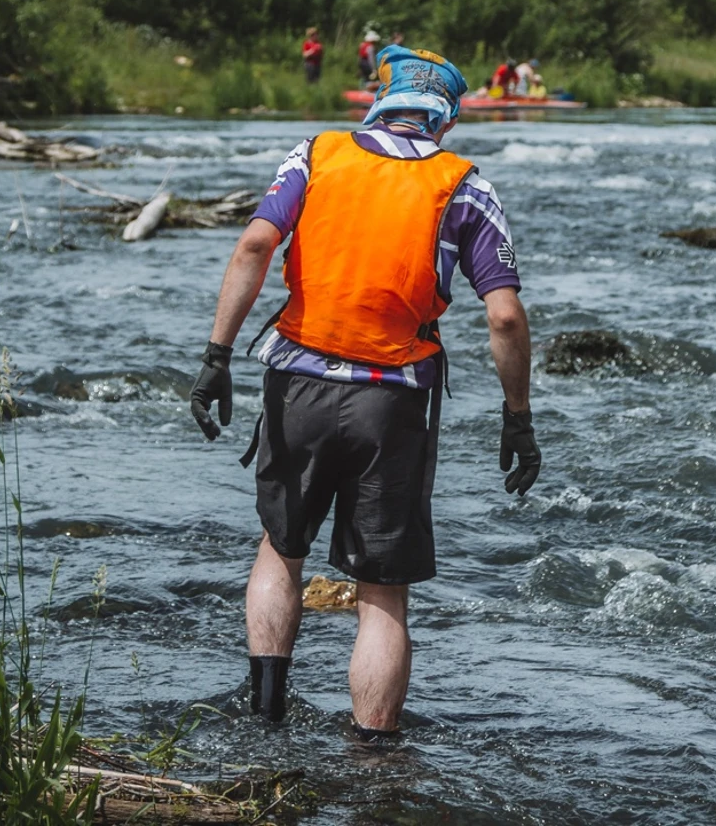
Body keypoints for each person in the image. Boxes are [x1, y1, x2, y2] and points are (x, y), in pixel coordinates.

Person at [190, 45, 541, 740]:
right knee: (383, 594)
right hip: (395, 403)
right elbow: (503, 315)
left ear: (380, 99)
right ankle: (375, 757)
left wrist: (216, 356)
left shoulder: (316, 154)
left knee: (279, 551)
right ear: (445, 118)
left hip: (298, 386)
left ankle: (266, 713)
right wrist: (517, 418)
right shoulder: (465, 185)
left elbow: (255, 246)